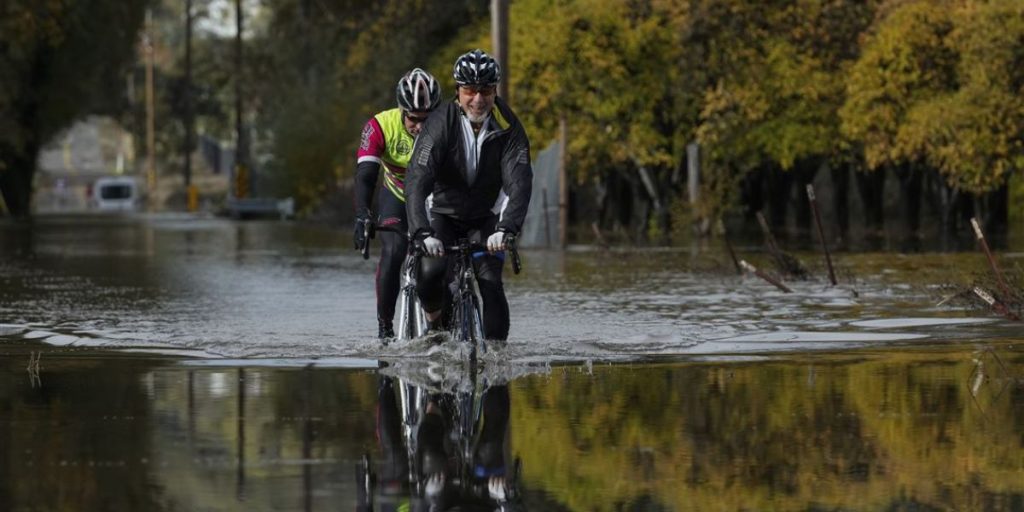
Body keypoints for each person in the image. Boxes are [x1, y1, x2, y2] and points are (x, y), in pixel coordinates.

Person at [405, 49, 533, 341]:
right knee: (432, 271)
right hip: (442, 214)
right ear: (458, 91)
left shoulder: (509, 126)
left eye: (486, 91)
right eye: (470, 91)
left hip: (486, 218)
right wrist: (422, 232)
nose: (478, 99)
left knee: (490, 283)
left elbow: (520, 181)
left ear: (495, 90)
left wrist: (506, 228)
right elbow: (417, 179)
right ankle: (435, 328)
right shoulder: (439, 123)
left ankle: (497, 368)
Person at [354, 68, 442, 339]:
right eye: (414, 119)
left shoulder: (448, 125)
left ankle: (443, 321)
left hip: (434, 197)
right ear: (402, 110)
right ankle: (385, 329)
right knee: (393, 252)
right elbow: (367, 176)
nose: (420, 127)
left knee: (443, 259)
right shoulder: (380, 126)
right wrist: (362, 215)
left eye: (427, 120)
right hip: (398, 195)